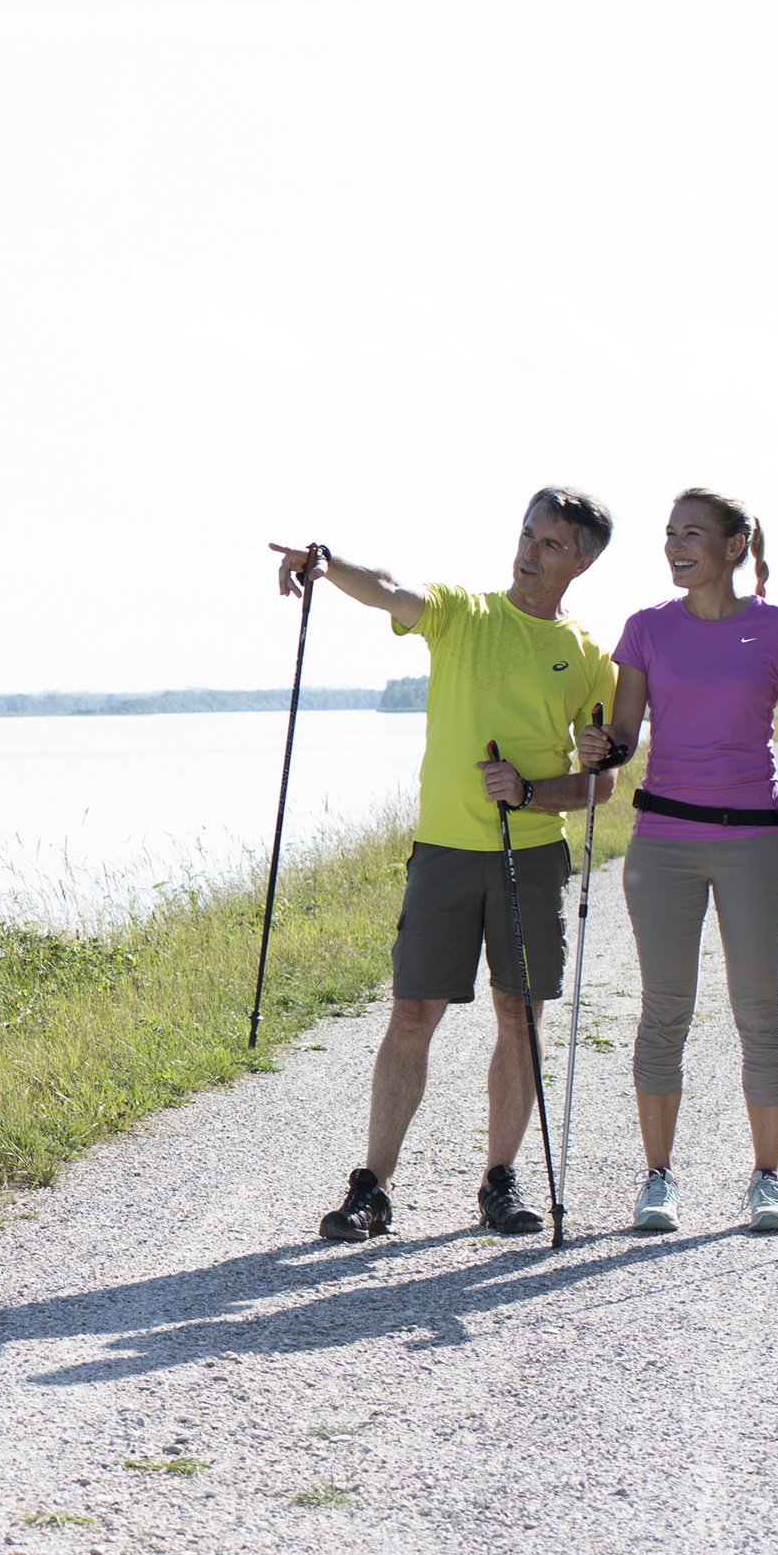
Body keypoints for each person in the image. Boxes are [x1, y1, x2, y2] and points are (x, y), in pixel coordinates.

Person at [268, 492, 619, 1241]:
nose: (529, 553)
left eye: (552, 544)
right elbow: (391, 588)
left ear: (582, 560)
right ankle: (373, 1185)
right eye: (527, 535)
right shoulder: (465, 614)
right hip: (446, 851)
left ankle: (499, 1180)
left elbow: (603, 782)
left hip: (533, 855)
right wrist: (327, 568)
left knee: (519, 1016)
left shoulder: (590, 659)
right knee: (413, 1012)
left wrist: (528, 792)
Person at [571, 487, 778, 1235]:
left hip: (754, 840)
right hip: (664, 840)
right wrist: (601, 747)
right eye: (668, 533)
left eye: (691, 533)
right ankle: (658, 1178)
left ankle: (767, 1179)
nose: (674, 545)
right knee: (666, 1011)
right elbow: (625, 735)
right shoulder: (645, 630)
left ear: (734, 546)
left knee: (759, 1009)